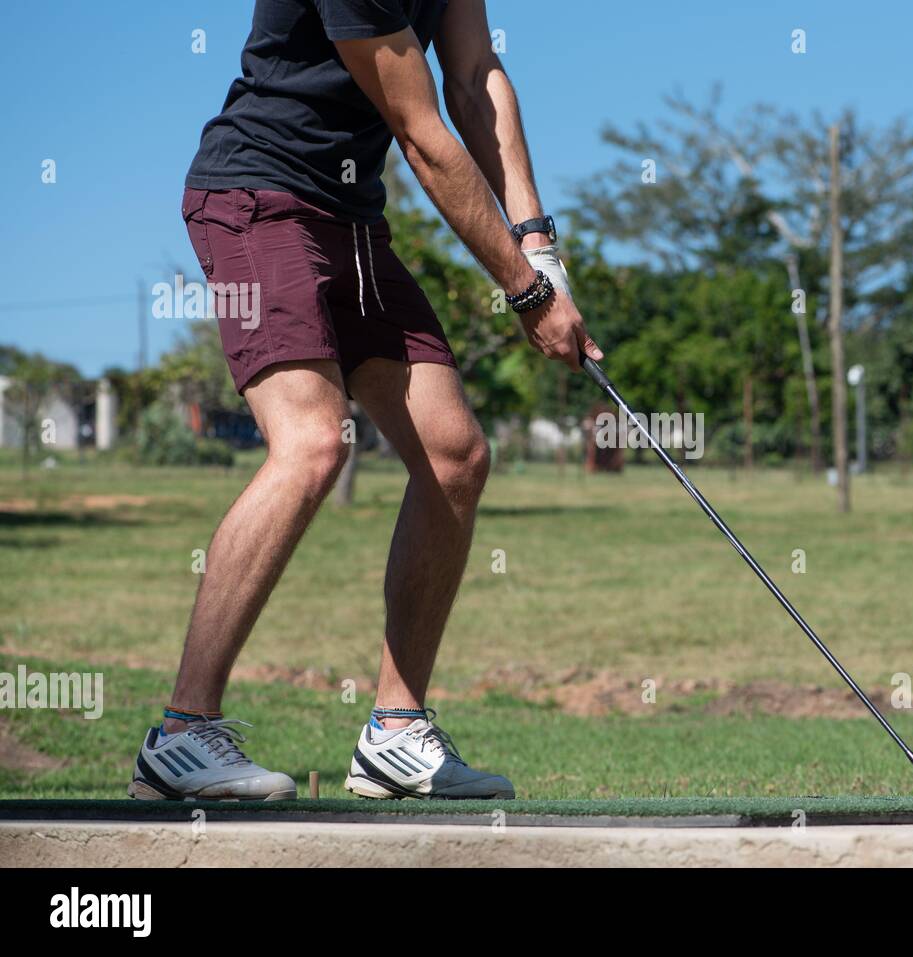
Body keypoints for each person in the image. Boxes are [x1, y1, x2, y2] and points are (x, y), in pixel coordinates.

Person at [129, 0, 600, 802]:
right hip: (255, 202)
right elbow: (420, 135)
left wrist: (537, 242)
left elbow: (476, 76)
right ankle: (180, 736)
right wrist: (525, 294)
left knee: (454, 455)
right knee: (312, 442)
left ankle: (394, 732)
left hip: (349, 220)